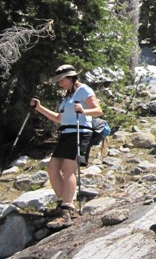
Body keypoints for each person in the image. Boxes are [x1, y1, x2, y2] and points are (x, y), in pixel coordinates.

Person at [30, 64, 102, 229]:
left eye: (61, 80)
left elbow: (98, 110)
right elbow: (59, 118)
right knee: (52, 168)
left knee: (69, 170)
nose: (59, 84)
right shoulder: (66, 97)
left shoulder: (84, 90)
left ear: (71, 78)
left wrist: (84, 110)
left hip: (80, 132)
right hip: (66, 133)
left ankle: (66, 211)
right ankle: (63, 204)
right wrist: (39, 108)